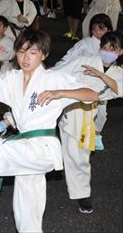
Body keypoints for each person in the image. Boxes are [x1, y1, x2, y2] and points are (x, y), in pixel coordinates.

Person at [0, 30, 98, 233]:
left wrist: (60, 92)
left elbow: (92, 94)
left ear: (43, 54)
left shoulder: (54, 78)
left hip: (42, 147)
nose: (26, 57)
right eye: (22, 51)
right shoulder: (12, 78)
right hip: (25, 149)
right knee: (28, 210)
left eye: (32, 52)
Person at [54, 32, 123, 214]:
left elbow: (118, 89)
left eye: (113, 49)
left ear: (120, 52)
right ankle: (77, 189)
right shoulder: (86, 59)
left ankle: (81, 193)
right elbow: (59, 72)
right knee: (72, 152)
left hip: (88, 113)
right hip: (69, 107)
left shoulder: (118, 72)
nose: (107, 51)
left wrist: (100, 75)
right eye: (105, 47)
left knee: (79, 154)